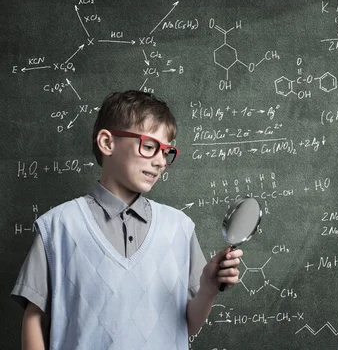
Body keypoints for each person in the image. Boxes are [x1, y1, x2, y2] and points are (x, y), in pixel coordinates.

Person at [11, 90, 243, 349]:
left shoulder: (179, 227)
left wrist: (208, 289)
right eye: (149, 146)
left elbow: (187, 324)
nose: (159, 162)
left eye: (166, 152)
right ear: (107, 143)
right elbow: (34, 319)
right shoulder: (58, 226)